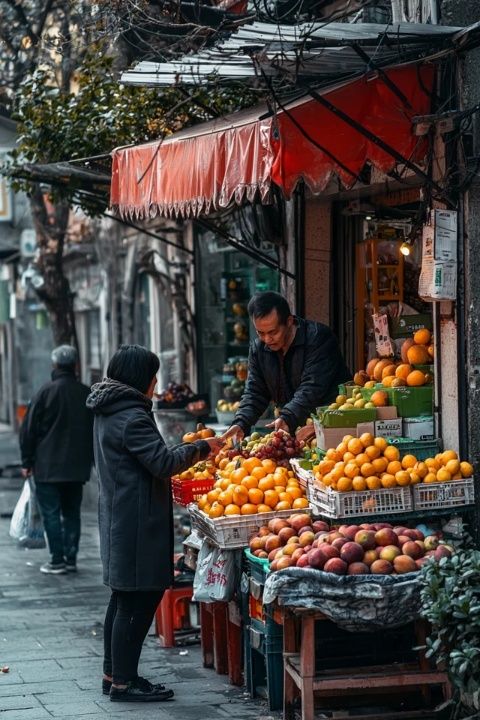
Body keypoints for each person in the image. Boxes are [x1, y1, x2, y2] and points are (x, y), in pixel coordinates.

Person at [86, 344, 223, 703]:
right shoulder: (131, 416)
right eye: (153, 375)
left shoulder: (108, 409)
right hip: (136, 522)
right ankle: (124, 682)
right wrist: (205, 448)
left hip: (121, 515)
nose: (156, 382)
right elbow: (162, 463)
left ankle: (114, 674)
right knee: (137, 601)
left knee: (122, 599)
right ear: (140, 378)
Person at [222, 291, 351, 441]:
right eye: (260, 333)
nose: (267, 339)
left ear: (289, 321)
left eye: (273, 332)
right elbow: (255, 392)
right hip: (294, 429)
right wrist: (241, 422)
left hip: (335, 427)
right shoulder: (258, 349)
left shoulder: (318, 338)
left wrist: (288, 416)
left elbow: (312, 388)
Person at [19, 344, 93, 575]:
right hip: (76, 467)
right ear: (75, 366)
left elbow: (28, 430)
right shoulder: (86, 393)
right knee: (72, 512)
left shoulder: (45, 392)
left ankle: (57, 560)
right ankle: (70, 558)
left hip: (47, 467)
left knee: (51, 513)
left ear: (54, 365)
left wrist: (26, 461)